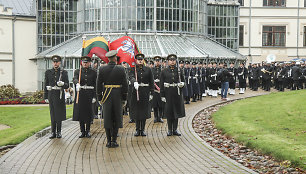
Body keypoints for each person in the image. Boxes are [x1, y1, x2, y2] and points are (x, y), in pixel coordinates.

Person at [96, 50, 128, 148]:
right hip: (117, 95)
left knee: (107, 118)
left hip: (106, 95)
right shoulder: (121, 69)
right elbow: (125, 85)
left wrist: (99, 97)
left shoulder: (102, 69)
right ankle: (114, 140)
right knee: (116, 118)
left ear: (108, 59)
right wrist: (124, 98)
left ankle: (108, 141)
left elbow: (98, 84)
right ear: (115, 58)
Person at [128, 53, 154, 137]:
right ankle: (137, 129)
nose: (140, 61)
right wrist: (134, 82)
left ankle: (142, 129)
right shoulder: (133, 69)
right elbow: (130, 76)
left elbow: (151, 81)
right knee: (136, 112)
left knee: (143, 112)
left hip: (145, 93)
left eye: (141, 59)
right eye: (138, 60)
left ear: (143, 60)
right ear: (136, 60)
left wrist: (151, 93)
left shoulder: (148, 69)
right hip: (135, 92)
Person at [44, 55, 69, 139]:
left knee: (59, 114)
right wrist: (46, 96)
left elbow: (67, 85)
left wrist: (62, 84)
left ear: (59, 63)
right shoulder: (48, 72)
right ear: (52, 63)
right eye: (54, 62)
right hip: (51, 94)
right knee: (52, 114)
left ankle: (59, 132)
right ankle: (53, 132)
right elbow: (46, 84)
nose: (55, 64)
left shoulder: (64, 72)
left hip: (59, 94)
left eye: (57, 62)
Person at [160, 54, 185, 136]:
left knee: (176, 112)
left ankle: (175, 129)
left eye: (174, 60)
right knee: (169, 112)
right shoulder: (164, 71)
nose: (172, 61)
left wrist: (182, 84)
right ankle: (170, 129)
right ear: (168, 61)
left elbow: (183, 81)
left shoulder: (179, 70)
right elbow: (161, 84)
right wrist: (162, 95)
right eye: (170, 60)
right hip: (168, 93)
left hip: (177, 93)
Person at [72, 56, 97, 138]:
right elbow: (74, 78)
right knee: (81, 113)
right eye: (84, 62)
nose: (85, 64)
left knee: (88, 114)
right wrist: (77, 83)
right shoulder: (77, 71)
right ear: (81, 63)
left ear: (90, 63)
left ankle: (88, 131)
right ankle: (82, 131)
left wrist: (95, 96)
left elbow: (95, 85)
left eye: (87, 62)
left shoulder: (93, 72)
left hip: (89, 94)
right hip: (81, 94)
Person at [151, 56, 164, 123]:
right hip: (154, 89)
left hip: (160, 89)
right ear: (154, 62)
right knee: (155, 104)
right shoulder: (151, 70)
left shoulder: (163, 69)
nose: (157, 62)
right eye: (156, 61)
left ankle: (160, 117)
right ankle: (156, 117)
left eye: (158, 61)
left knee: (161, 104)